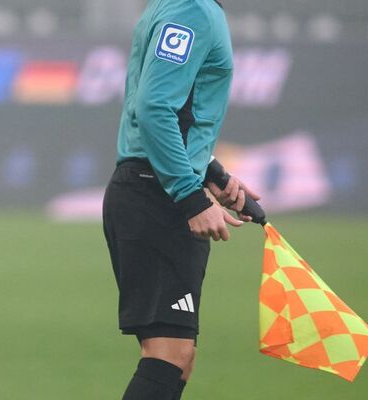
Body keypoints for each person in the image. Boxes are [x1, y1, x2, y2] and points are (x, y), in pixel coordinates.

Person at [101, 0, 259, 399]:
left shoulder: (179, 6)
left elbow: (174, 113)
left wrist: (212, 175)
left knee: (179, 359)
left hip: (153, 184)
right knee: (168, 355)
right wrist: (189, 195)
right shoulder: (192, 9)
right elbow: (154, 109)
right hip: (156, 192)